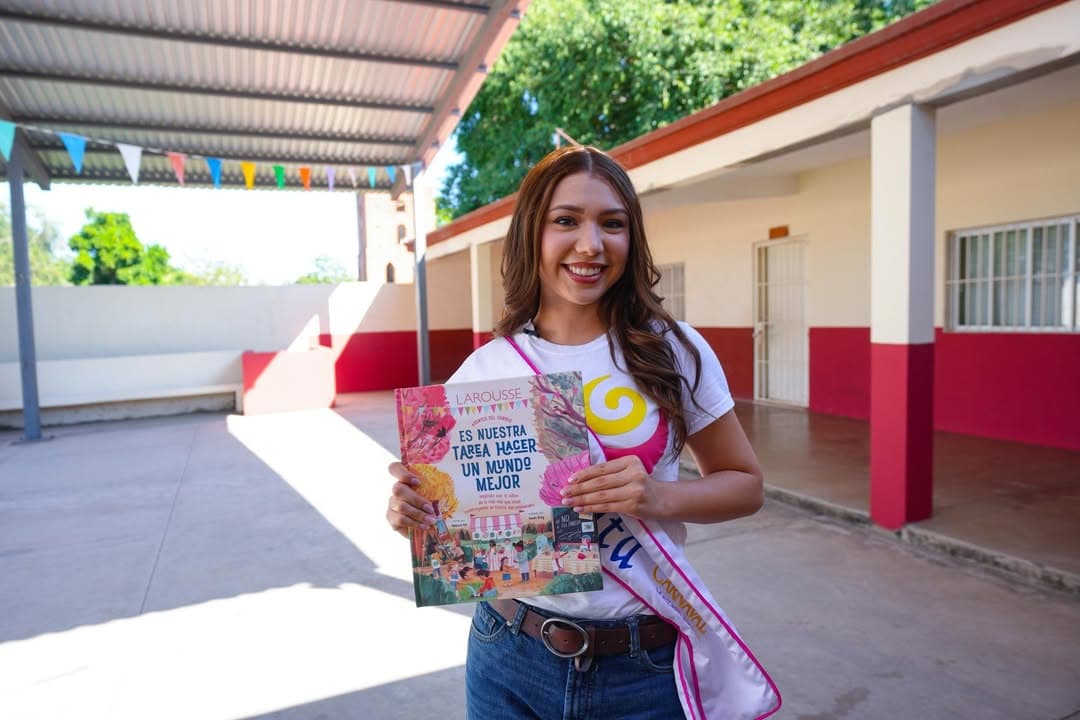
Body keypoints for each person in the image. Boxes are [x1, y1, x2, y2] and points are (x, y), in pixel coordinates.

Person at [386, 146, 777, 719]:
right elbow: (469, 538)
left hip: (641, 665)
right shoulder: (486, 370)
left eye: (612, 223)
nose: (590, 244)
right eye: (565, 220)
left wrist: (657, 496)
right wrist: (418, 515)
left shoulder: (674, 350)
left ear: (631, 238)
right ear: (532, 236)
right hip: (509, 654)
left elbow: (746, 485)